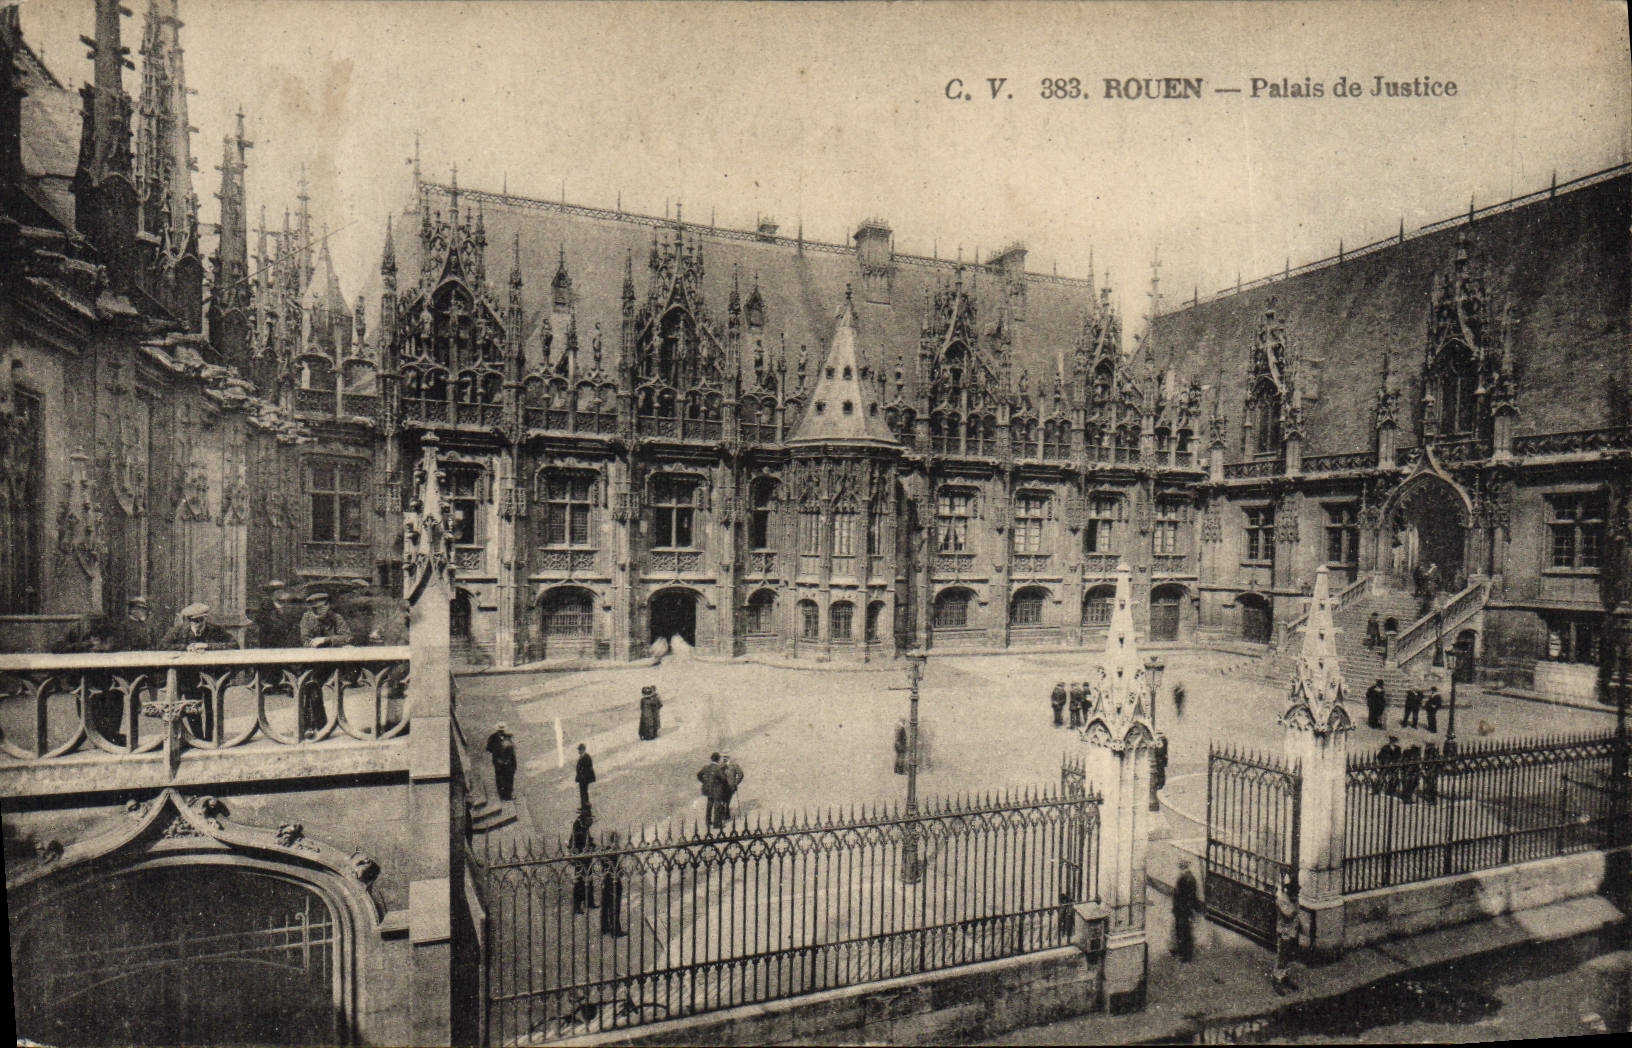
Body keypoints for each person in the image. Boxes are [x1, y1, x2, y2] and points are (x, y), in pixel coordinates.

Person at [161, 603, 236, 740]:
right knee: (192, 708)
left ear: (205, 619)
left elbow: (234, 644)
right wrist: (185, 647)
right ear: (189, 621)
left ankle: (211, 738)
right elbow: (163, 645)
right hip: (189, 677)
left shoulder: (215, 630)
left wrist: (208, 646)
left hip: (210, 676)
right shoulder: (179, 631)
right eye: (195, 621)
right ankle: (198, 738)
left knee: (211, 708)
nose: (199, 624)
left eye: (201, 620)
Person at [1272, 875, 1300, 994]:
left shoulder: (1293, 900)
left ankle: (1284, 976)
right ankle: (1276, 978)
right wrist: (1294, 904)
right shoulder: (1282, 900)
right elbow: (1289, 914)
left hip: (1292, 931)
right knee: (1282, 955)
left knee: (1288, 955)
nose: (1296, 895)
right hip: (1283, 931)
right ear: (1289, 891)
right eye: (1294, 893)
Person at [599, 831, 628, 936]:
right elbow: (616, 868)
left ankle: (605, 927)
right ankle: (615, 930)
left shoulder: (605, 850)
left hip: (606, 880)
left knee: (606, 903)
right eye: (617, 840)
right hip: (613, 881)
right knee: (614, 905)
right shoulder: (613, 851)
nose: (618, 842)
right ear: (614, 840)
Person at [570, 807, 597, 914]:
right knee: (580, 881)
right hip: (581, 858)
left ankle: (589, 902)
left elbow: (588, 839)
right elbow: (577, 842)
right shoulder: (578, 826)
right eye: (590, 819)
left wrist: (592, 845)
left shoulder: (584, 826)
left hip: (586, 857)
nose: (592, 821)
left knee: (589, 879)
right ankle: (577, 907)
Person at [1172, 859, 1200, 962]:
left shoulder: (1185, 878)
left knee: (1184, 932)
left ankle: (1186, 955)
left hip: (1182, 909)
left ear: (1184, 867)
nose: (1179, 869)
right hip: (1183, 909)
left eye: (1181, 867)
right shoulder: (1189, 877)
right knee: (1182, 931)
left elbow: (1186, 896)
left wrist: (1186, 908)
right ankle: (1181, 951)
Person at [485, 722, 518, 801]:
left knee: (509, 777)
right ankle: (501, 792)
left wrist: (513, 763)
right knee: (499, 777)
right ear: (497, 731)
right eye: (500, 731)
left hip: (509, 761)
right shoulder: (492, 737)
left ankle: (508, 794)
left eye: (503, 730)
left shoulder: (508, 737)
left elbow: (513, 749)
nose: (501, 732)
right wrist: (496, 753)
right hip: (498, 762)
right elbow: (488, 748)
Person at [717, 754, 744, 826]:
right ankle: (725, 815)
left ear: (729, 757)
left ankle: (725, 816)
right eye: (723, 757)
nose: (724, 758)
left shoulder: (734, 765)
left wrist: (736, 783)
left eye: (726, 757)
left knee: (726, 801)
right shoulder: (721, 766)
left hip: (731, 787)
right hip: (722, 787)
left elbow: (741, 774)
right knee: (724, 802)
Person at [697, 752, 724, 825]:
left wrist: (704, 781)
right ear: (718, 759)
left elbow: (699, 775)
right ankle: (716, 823)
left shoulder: (706, 767)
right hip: (716, 789)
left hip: (708, 789)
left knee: (709, 804)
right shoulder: (718, 768)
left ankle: (708, 821)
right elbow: (723, 778)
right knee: (717, 805)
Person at [575, 743, 596, 810]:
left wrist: (583, 776)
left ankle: (586, 804)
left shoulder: (586, 757)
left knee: (584, 791)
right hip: (582, 778)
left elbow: (588, 769)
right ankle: (584, 804)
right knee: (582, 791)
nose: (579, 751)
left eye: (580, 750)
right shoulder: (582, 757)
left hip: (585, 778)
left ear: (583, 750)